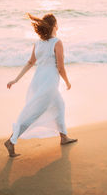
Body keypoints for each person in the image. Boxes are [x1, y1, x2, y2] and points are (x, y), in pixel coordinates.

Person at [4, 13, 78, 157]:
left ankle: (63, 137)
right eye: (57, 23)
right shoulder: (57, 42)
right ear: (54, 25)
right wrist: (67, 82)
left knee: (60, 105)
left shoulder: (38, 43)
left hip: (38, 81)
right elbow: (60, 67)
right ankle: (11, 141)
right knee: (33, 113)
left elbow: (30, 62)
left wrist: (16, 79)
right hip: (49, 82)